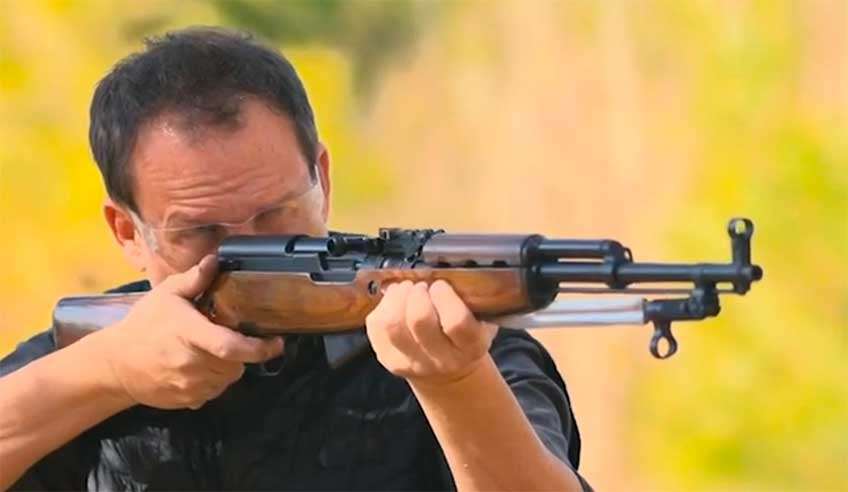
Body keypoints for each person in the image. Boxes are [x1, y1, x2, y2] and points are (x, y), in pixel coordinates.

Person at [0, 27, 591, 491]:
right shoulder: (95, 354)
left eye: (276, 214)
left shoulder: (459, 342)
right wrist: (106, 376)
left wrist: (456, 383)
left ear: (322, 180)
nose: (251, 249)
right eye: (205, 231)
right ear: (127, 230)